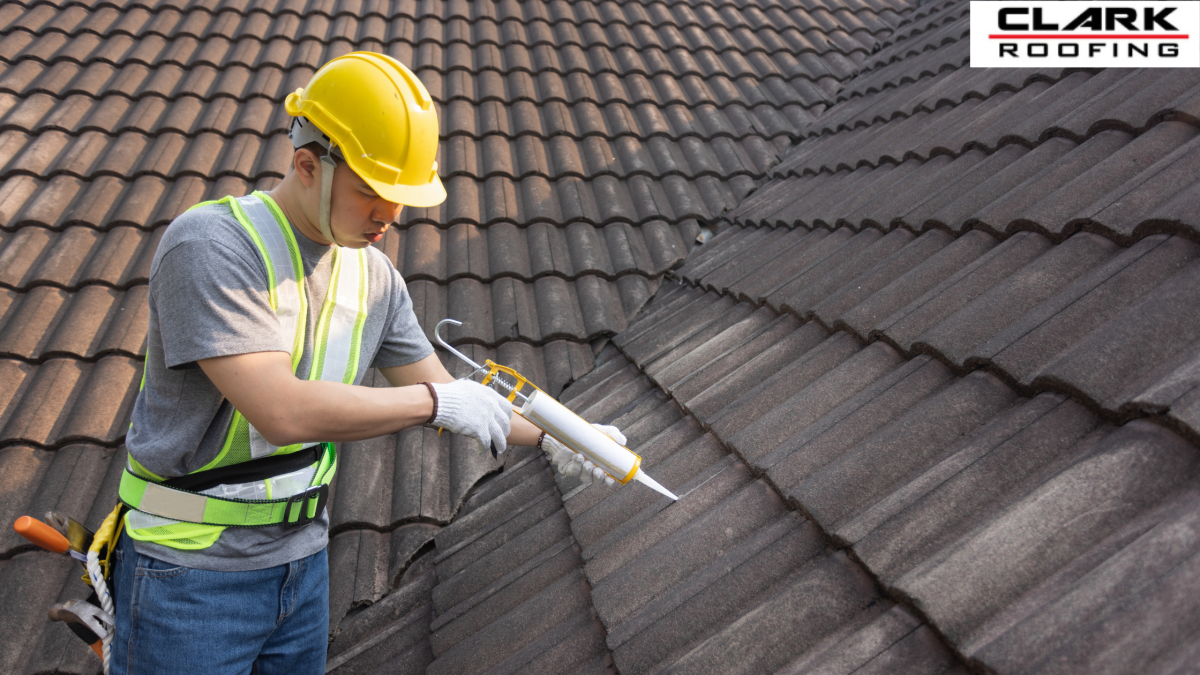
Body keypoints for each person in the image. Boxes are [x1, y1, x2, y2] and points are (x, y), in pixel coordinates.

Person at [109, 52, 621, 675]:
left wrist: (566, 438)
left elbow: (451, 394)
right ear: (307, 166)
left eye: (401, 198)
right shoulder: (213, 248)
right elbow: (282, 412)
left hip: (301, 568)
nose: (391, 216)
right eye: (372, 194)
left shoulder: (374, 277)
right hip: (189, 575)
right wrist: (437, 404)